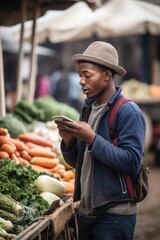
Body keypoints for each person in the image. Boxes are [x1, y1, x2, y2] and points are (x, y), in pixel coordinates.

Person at [55, 41, 146, 240]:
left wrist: (92, 139)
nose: (81, 81)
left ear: (107, 76)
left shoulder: (128, 112)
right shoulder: (88, 109)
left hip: (114, 216)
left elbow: (131, 162)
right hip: (87, 211)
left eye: (87, 75)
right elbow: (82, 164)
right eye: (80, 75)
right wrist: (70, 142)